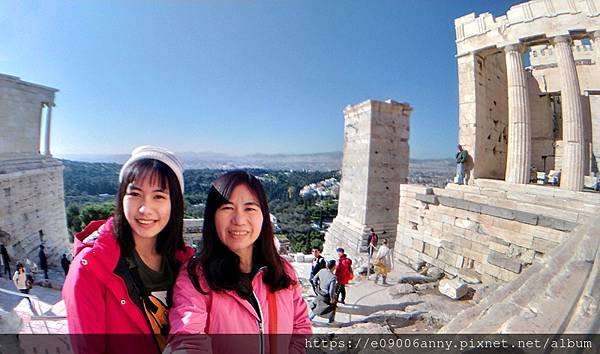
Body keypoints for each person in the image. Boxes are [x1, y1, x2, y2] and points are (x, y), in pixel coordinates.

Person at [62, 146, 193, 354]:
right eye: (135, 194)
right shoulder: (90, 268)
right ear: (122, 197)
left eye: (158, 196)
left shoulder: (187, 265)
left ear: (174, 204)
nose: (145, 209)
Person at [168, 170, 312, 353]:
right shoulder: (196, 277)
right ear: (212, 217)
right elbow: (188, 337)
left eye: (250, 208)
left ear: (263, 215)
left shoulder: (283, 271)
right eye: (227, 208)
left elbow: (300, 326)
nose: (239, 220)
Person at [309, 259, 339, 324]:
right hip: (326, 296)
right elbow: (331, 290)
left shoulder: (322, 270)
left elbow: (314, 279)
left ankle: (309, 318)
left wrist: (317, 288)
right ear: (334, 267)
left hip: (320, 293)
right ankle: (331, 321)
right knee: (333, 306)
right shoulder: (333, 277)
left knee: (316, 307)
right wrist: (332, 299)